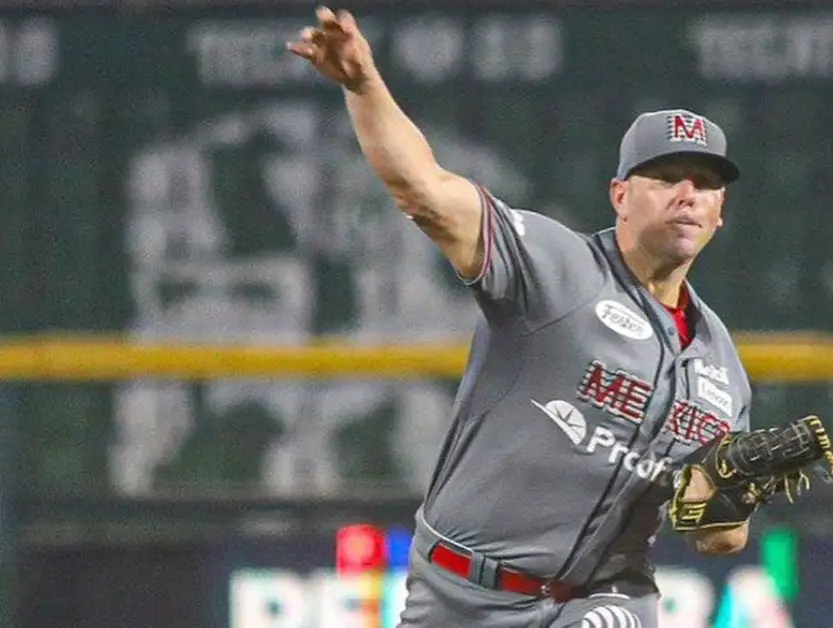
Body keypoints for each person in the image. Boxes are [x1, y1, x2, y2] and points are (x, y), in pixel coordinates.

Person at [289, 8, 794, 626]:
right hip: (464, 593)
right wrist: (365, 86)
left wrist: (731, 497)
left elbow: (717, 538)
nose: (687, 193)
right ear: (619, 196)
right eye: (664, 177)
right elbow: (425, 190)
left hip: (607, 599)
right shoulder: (555, 267)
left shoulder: (721, 367)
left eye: (706, 183)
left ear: (720, 211)